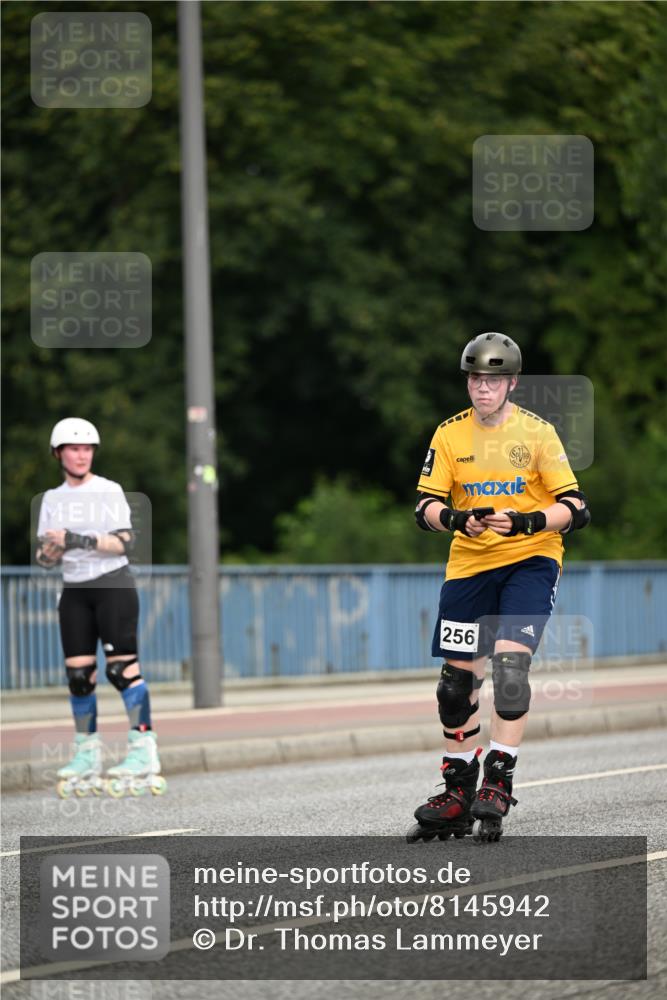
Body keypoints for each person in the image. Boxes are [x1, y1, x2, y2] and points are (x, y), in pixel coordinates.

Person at [407, 332, 589, 843]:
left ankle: (499, 781)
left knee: (510, 669)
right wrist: (458, 520)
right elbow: (424, 508)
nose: (482, 388)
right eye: (474, 379)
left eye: (492, 380)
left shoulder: (537, 433)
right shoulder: (449, 436)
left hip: (530, 561)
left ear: (510, 383)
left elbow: (575, 508)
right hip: (469, 566)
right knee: (454, 688)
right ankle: (458, 791)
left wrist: (529, 522)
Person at [36, 417, 165, 798]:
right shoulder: (51, 500)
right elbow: (45, 557)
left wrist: (74, 538)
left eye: (87, 448)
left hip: (112, 586)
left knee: (122, 669)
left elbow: (124, 542)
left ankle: (144, 751)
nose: (81, 455)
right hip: (74, 590)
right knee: (79, 677)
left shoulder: (108, 490)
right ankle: (86, 754)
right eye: (74, 449)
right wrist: (52, 549)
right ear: (59, 453)